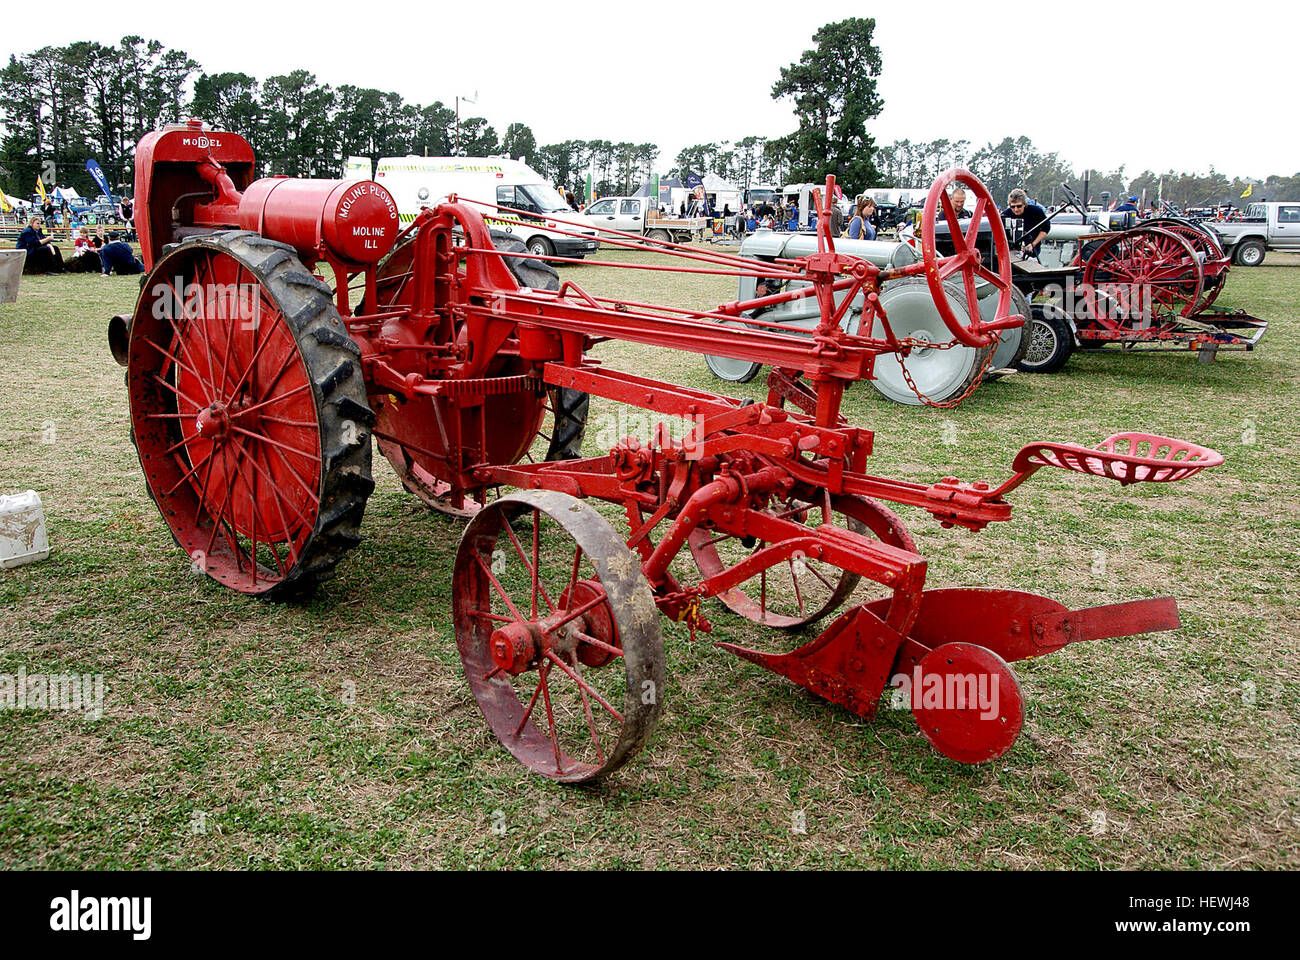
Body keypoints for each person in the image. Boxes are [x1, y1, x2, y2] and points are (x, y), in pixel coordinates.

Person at [1002, 188, 1049, 259]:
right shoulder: (1005, 215)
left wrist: (1033, 244)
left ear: (1024, 204)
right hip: (1010, 255)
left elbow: (1046, 228)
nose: (1016, 209)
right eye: (1013, 207)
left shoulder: (1036, 212)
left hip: (1032, 254)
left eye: (1019, 206)